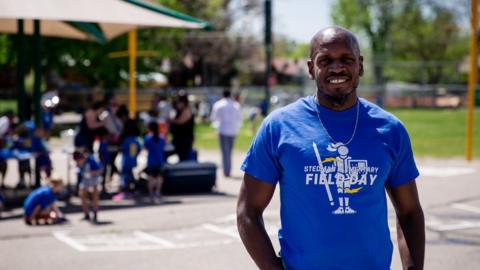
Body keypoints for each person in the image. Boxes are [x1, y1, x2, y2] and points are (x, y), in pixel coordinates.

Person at [236, 26, 425, 270]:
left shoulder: (390, 130)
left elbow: (409, 212)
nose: (337, 67)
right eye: (325, 60)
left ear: (361, 65)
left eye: (346, 59)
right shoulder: (279, 127)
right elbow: (247, 211)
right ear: (310, 69)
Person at [210, 89, 242, 177]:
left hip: (223, 130)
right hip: (233, 131)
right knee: (230, 151)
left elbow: (213, 118)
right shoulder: (236, 105)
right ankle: (228, 169)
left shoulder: (218, 104)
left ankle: (226, 170)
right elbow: (239, 118)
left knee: (225, 151)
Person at [73, 148, 103, 223]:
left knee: (95, 194)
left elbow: (101, 169)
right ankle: (86, 214)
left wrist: (91, 173)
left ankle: (95, 213)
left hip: (94, 178)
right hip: (85, 179)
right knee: (82, 195)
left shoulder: (91, 160)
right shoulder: (78, 161)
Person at [144, 122, 166, 203]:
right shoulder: (162, 137)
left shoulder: (147, 138)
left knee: (151, 178)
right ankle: (158, 192)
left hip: (151, 161)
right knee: (159, 177)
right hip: (160, 160)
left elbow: (145, 147)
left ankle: (151, 194)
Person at [170, 92, 195, 161]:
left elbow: (180, 121)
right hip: (178, 139)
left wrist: (171, 120)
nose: (177, 104)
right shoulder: (178, 110)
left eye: (179, 102)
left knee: (184, 157)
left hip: (185, 139)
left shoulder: (187, 110)